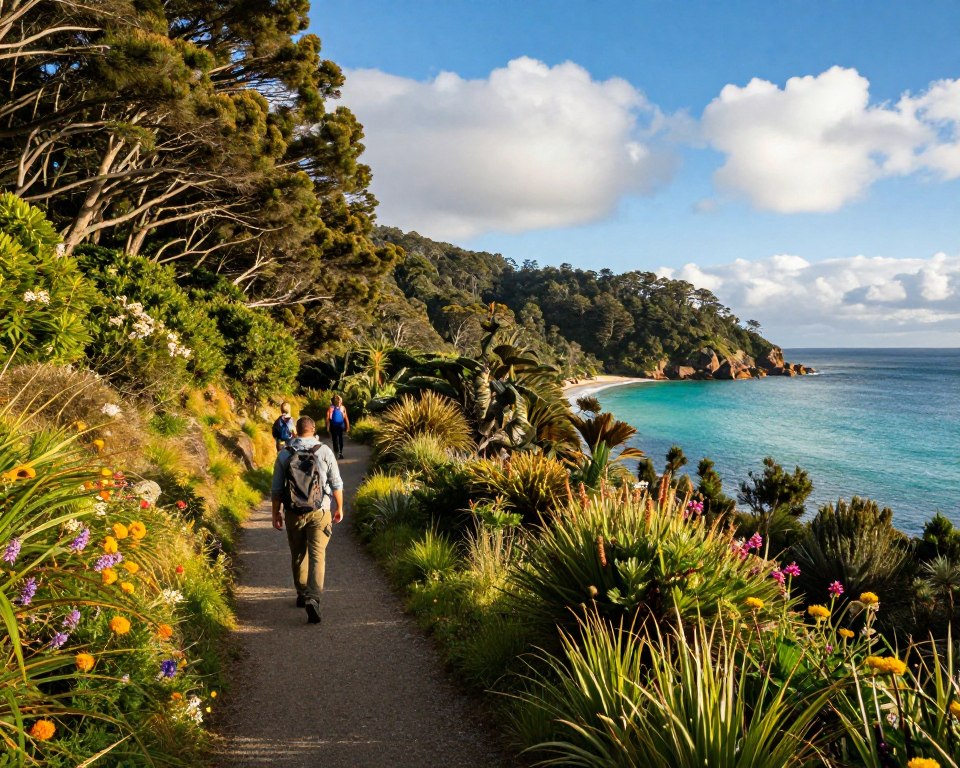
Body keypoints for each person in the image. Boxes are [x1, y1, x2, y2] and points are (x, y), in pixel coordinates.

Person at [271, 416, 343, 624]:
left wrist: (276, 513)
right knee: (317, 554)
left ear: (295, 431)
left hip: (294, 512)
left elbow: (276, 489)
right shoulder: (325, 451)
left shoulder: (285, 453)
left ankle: (302, 593)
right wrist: (339, 507)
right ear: (313, 430)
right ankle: (313, 597)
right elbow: (336, 483)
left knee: (298, 553)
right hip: (320, 510)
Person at [326, 394, 350, 460]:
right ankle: (340, 453)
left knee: (335, 439)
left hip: (334, 425)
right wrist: (348, 426)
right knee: (339, 439)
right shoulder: (342, 408)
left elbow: (328, 418)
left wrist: (327, 427)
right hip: (340, 425)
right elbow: (345, 417)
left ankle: (337, 452)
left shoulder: (331, 408)